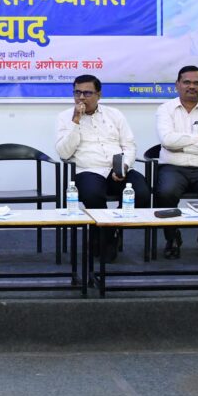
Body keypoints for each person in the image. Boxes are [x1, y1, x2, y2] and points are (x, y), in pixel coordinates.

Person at [56, 74, 150, 263]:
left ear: (99, 94)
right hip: (88, 170)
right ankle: (106, 239)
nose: (81, 97)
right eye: (77, 92)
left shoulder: (115, 114)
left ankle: (111, 231)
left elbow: (129, 145)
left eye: (87, 93)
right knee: (92, 195)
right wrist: (76, 121)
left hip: (117, 168)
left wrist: (124, 166)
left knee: (142, 193)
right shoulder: (65, 117)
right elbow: (64, 153)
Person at [154, 66, 198, 260]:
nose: (191, 86)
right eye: (187, 82)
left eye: (197, 83)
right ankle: (172, 237)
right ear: (177, 85)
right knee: (165, 193)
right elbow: (167, 140)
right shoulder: (165, 109)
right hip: (172, 168)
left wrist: (182, 147)